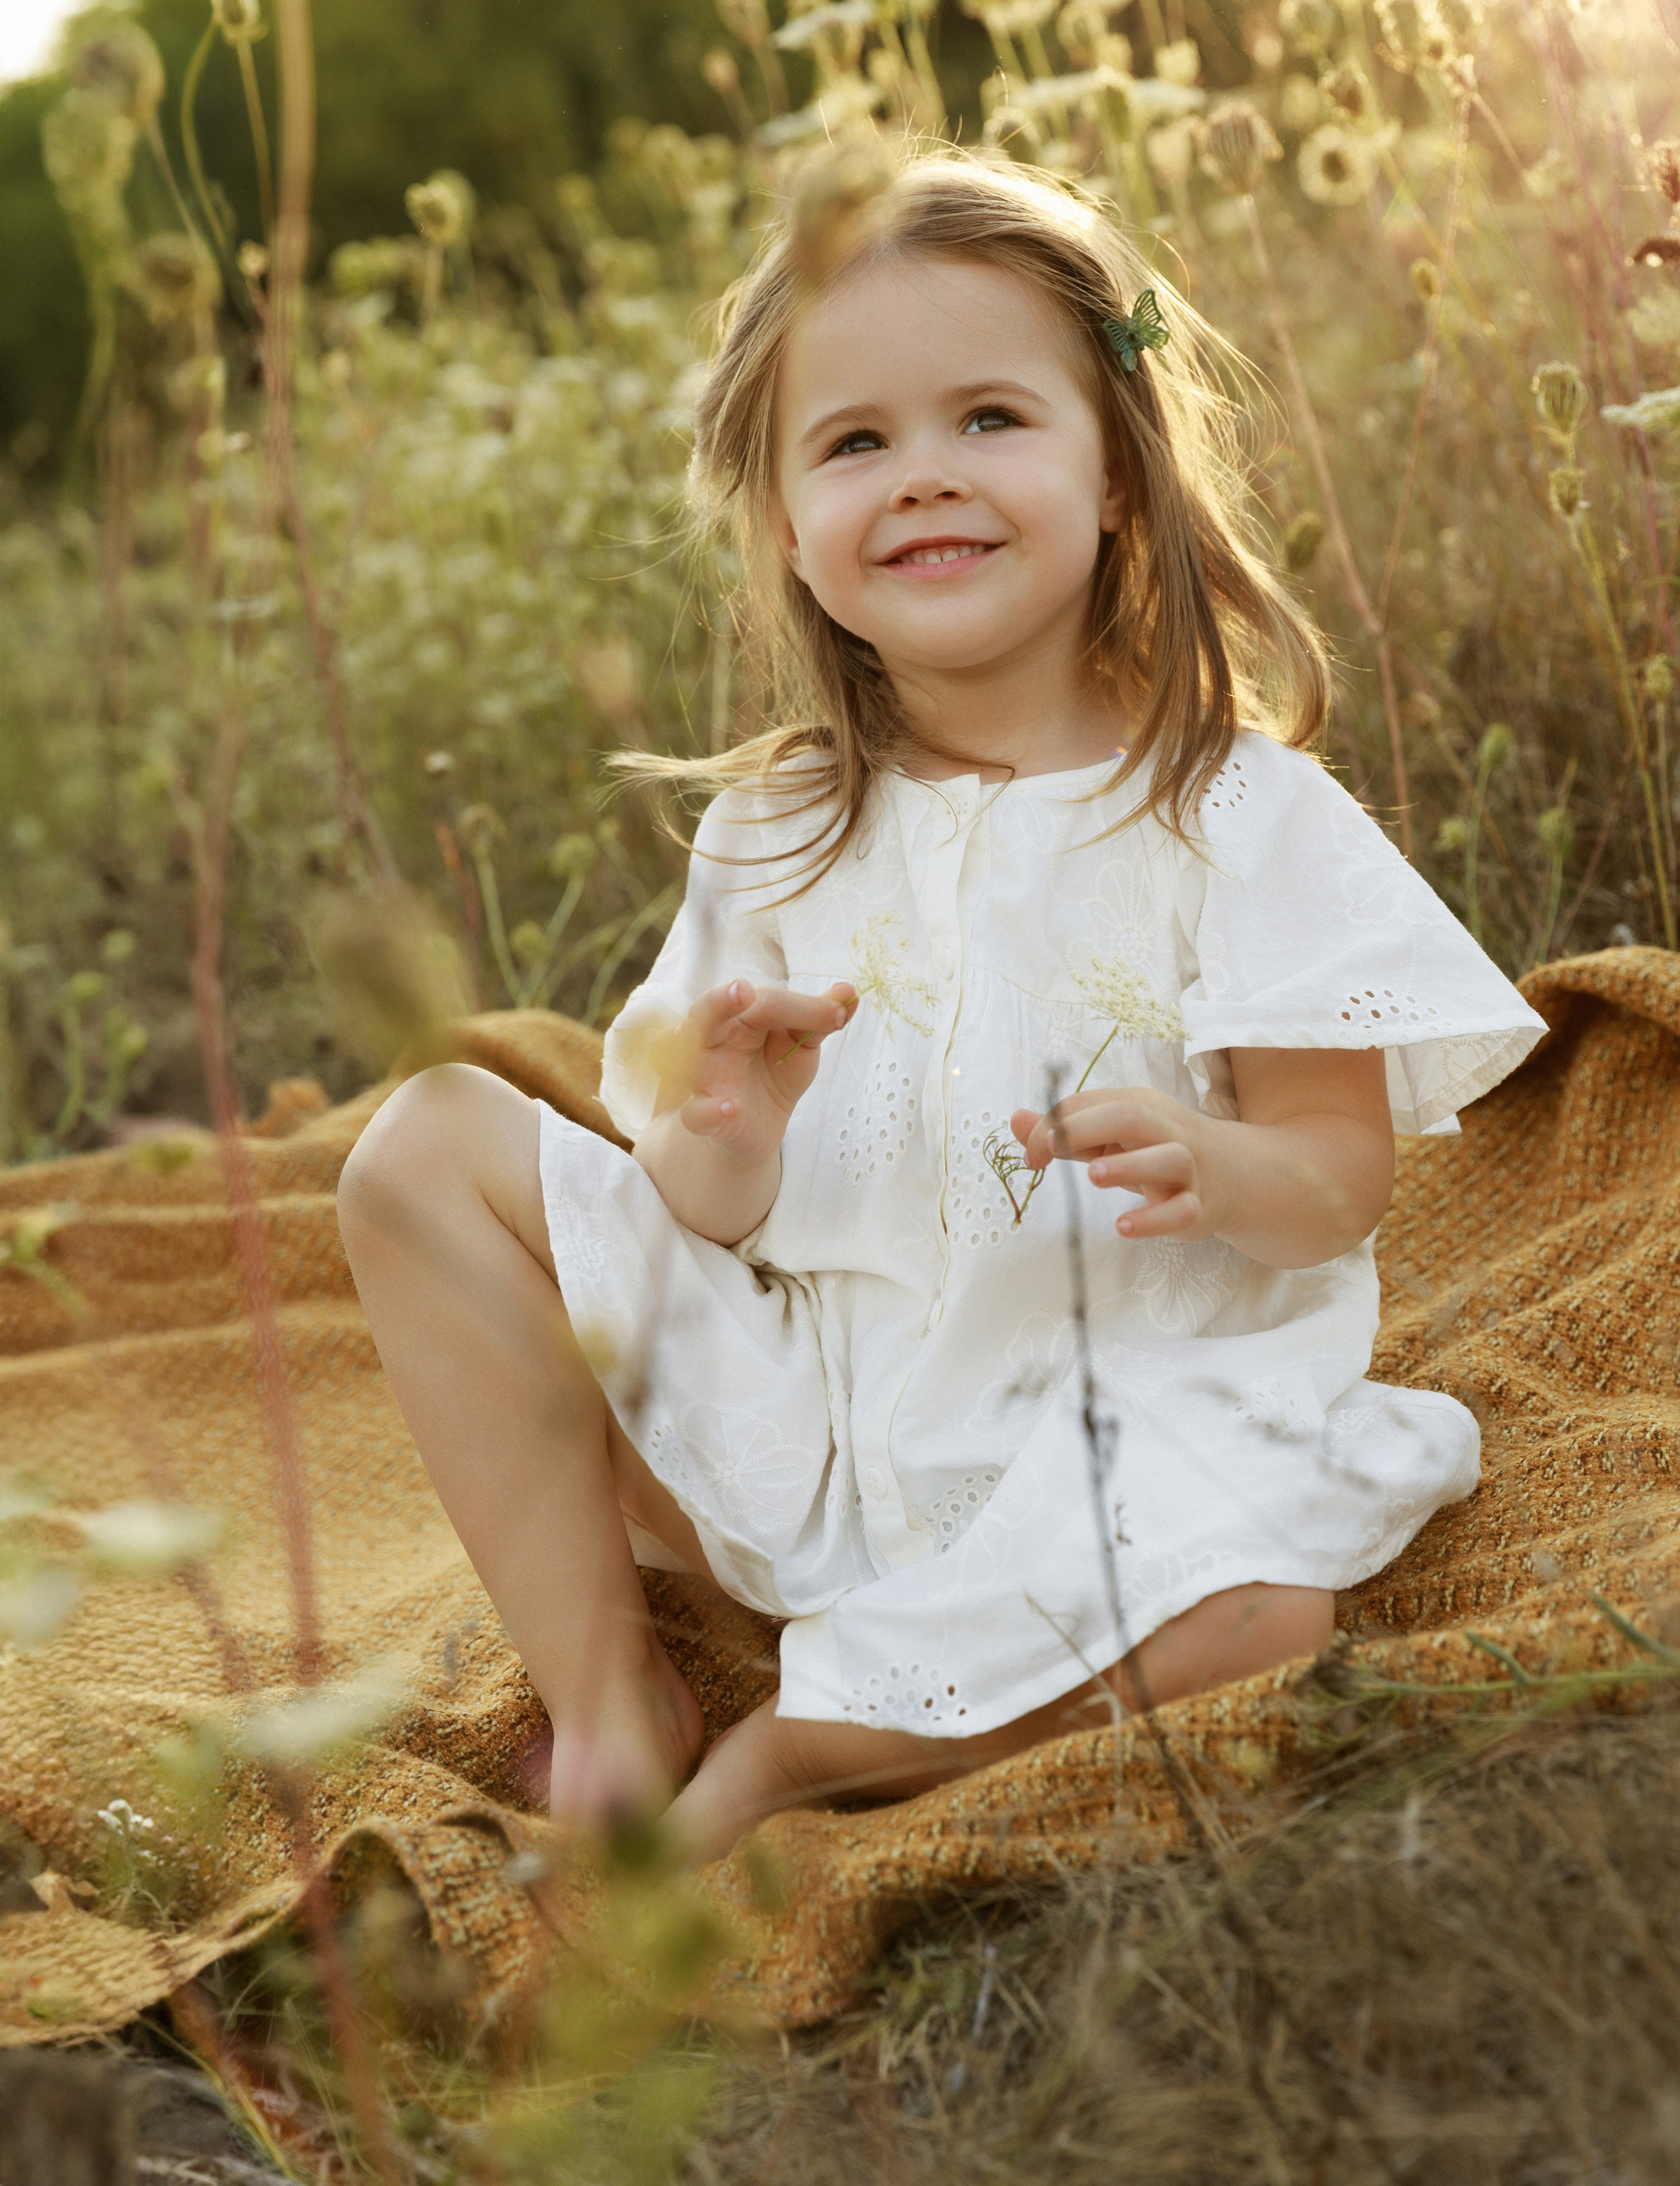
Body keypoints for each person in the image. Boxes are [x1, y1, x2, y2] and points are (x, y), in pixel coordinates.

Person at [337, 150, 1545, 1862]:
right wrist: (721, 1138)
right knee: (417, 1142)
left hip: (1118, 1445)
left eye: (988, 417)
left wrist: (1219, 1157)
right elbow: (700, 1205)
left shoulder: (1233, 812)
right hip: (807, 1442)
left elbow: (1336, 1178)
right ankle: (615, 1703)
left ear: (1117, 470)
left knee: (1263, 1617)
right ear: (782, 523)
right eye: (853, 442)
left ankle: (786, 1757)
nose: (924, 477)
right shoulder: (778, 822)